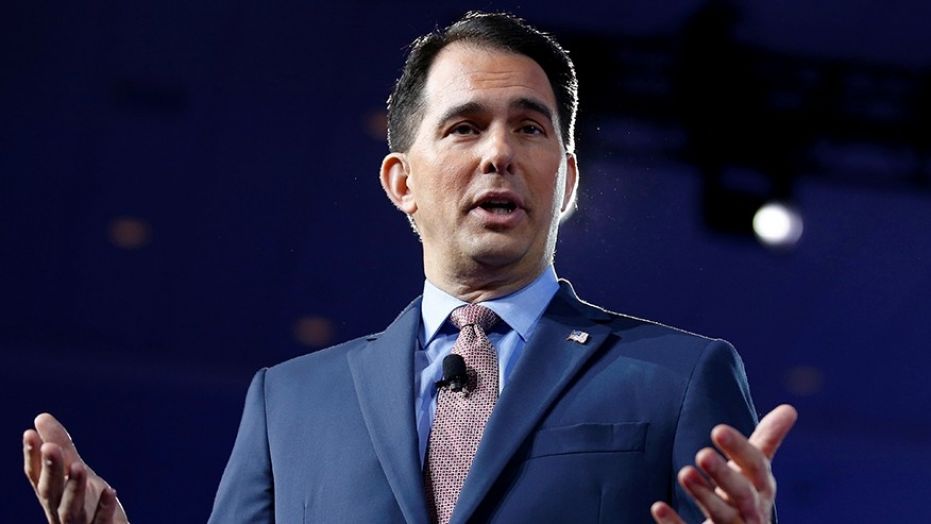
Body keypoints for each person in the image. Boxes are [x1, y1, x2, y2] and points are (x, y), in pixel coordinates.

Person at [23, 11, 798, 524]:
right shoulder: (286, 405)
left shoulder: (677, 376)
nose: (498, 152)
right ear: (401, 182)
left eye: (529, 128)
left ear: (566, 179)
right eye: (464, 127)